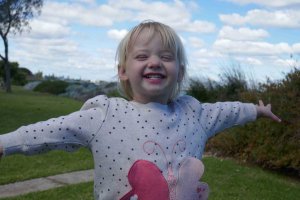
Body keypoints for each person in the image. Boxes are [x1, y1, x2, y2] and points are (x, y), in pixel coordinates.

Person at [0, 20, 281, 200]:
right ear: (123, 71)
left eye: (166, 57)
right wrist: (4, 144)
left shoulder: (195, 114)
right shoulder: (104, 115)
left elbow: (227, 111)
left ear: (180, 72)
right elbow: (50, 131)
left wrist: (254, 110)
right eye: (143, 56)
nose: (155, 62)